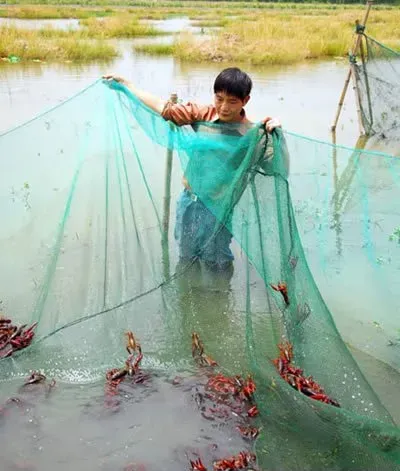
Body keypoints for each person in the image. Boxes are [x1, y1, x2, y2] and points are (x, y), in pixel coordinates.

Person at [102, 68, 281, 278]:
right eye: (219, 98)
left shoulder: (252, 135)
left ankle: (219, 298)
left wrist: (277, 136)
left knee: (217, 261)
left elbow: (276, 167)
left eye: (232, 101)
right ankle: (188, 294)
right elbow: (163, 108)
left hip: (219, 208)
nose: (223, 107)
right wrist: (128, 86)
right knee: (186, 255)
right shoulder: (203, 115)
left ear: (245, 101)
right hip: (189, 200)